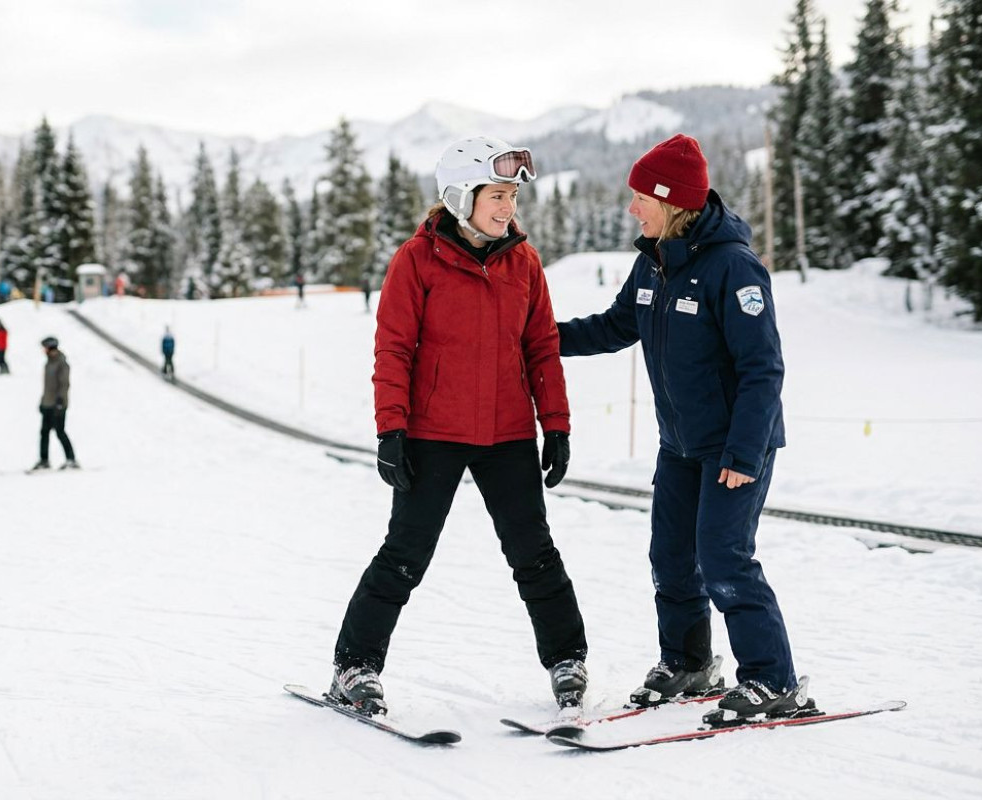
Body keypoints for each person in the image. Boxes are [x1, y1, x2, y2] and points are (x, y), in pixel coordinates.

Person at [555, 133, 812, 725]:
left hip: (734, 446)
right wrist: (542, 338)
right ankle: (690, 664)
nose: (631, 208)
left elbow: (762, 368)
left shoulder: (733, 268)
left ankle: (773, 680)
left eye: (640, 196)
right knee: (671, 558)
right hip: (680, 444)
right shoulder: (654, 260)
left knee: (724, 559)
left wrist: (745, 453)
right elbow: (618, 325)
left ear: (670, 201)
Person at [328, 136, 590, 715]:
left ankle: (568, 658)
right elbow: (393, 349)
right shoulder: (416, 260)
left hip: (508, 434)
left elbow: (543, 348)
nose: (508, 208)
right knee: (405, 554)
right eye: (497, 195)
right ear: (459, 195)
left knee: (534, 553)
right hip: (432, 434)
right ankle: (354, 666)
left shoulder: (523, 261)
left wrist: (558, 425)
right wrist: (390, 430)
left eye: (512, 197)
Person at [31, 336, 78, 470]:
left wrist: (60, 401)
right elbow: (47, 386)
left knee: (60, 432)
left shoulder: (62, 363)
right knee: (44, 432)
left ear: (50, 347)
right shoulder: (49, 363)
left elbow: (64, 384)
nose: (43, 350)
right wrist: (42, 402)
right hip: (47, 403)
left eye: (45, 348)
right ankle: (44, 460)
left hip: (58, 404)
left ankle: (71, 459)